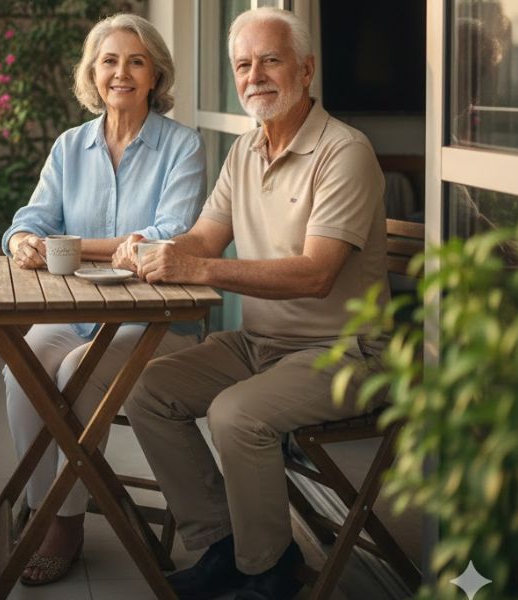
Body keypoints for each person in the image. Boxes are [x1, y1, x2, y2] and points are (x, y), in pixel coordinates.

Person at [113, 8, 389, 600]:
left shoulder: (344, 152)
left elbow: (317, 275)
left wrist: (195, 267)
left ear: (306, 70)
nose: (255, 75)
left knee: (237, 415)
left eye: (271, 60)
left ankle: (269, 571)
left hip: (345, 354)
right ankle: (224, 545)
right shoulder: (246, 150)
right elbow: (205, 239)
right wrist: (153, 247)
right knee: (146, 389)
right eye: (243, 65)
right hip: (260, 345)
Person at [1, 13, 207, 587]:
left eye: (136, 61)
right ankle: (54, 508)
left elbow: (169, 234)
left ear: (155, 75)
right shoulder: (71, 147)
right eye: (110, 61)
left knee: (71, 370)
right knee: (21, 370)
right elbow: (30, 220)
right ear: (93, 73)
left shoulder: (182, 145)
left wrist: (67, 246)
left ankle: (60, 521)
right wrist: (21, 241)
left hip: (158, 322)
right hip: (79, 313)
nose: (122, 72)